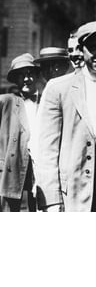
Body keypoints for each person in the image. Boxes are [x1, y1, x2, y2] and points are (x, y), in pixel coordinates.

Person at [37, 22, 96, 212]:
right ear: (81, 50)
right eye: (94, 48)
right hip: (76, 189)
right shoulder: (59, 89)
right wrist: (52, 200)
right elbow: (47, 150)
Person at [0, 54, 40, 211]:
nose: (26, 79)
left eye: (30, 74)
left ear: (36, 76)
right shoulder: (7, 101)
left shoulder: (45, 101)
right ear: (15, 79)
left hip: (38, 165)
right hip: (13, 166)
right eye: (21, 75)